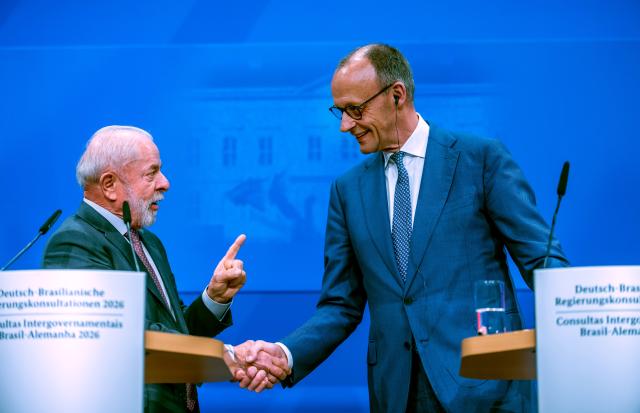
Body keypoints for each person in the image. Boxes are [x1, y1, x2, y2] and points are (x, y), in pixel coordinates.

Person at [232, 44, 569, 412]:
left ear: (397, 95)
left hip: (485, 392)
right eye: (339, 112)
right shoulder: (348, 191)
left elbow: (543, 261)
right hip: (396, 395)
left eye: (355, 110)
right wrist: (286, 353)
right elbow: (340, 305)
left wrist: (580, 327)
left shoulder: (480, 160)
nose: (345, 125)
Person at [42, 125, 285, 412]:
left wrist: (214, 298)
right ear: (109, 184)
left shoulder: (149, 243)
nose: (165, 183)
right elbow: (119, 336)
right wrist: (228, 356)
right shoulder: (75, 241)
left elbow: (176, 334)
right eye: (151, 173)